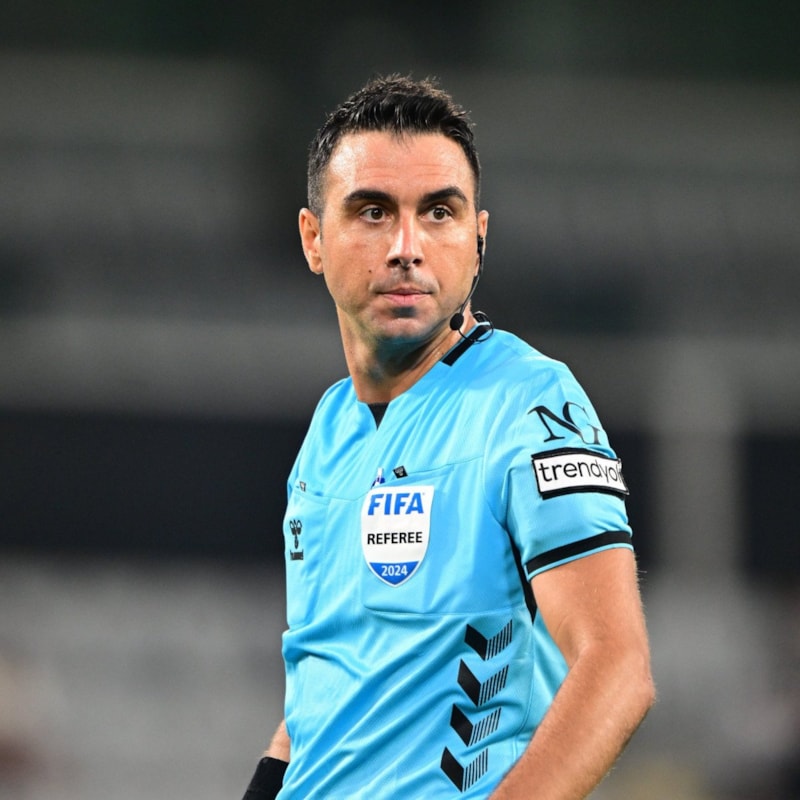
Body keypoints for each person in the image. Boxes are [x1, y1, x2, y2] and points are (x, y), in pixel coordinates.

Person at [241, 74, 655, 799]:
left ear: (478, 238)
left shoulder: (529, 405)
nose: (407, 247)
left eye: (438, 212)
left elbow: (617, 670)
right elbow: (324, 686)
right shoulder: (328, 430)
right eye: (373, 211)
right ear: (313, 238)